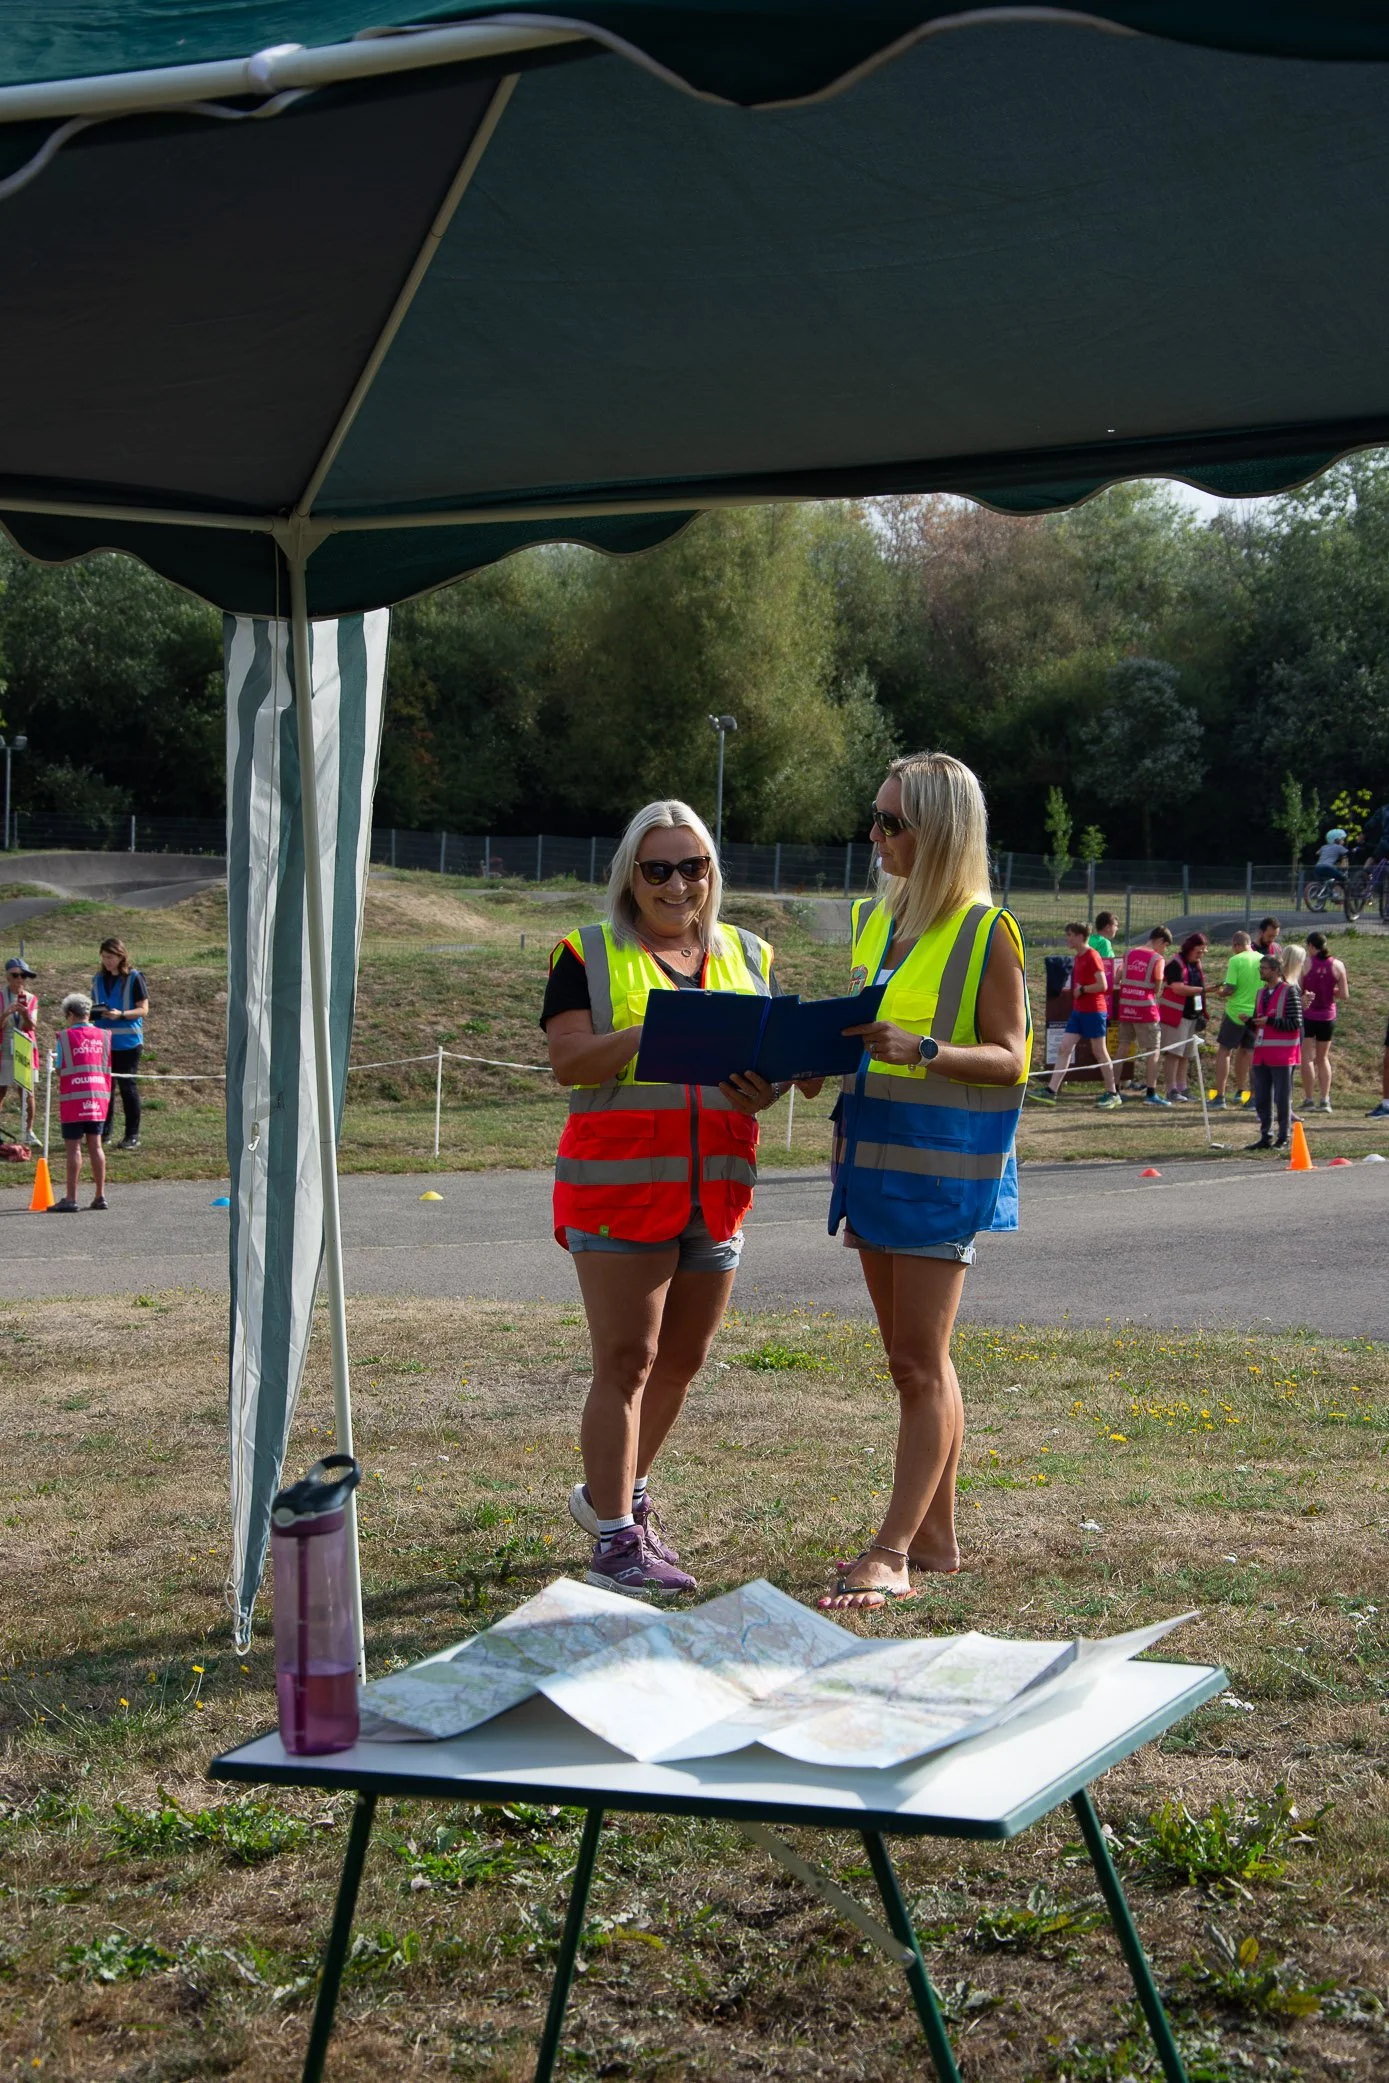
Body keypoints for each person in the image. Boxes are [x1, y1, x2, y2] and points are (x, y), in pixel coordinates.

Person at [543, 799, 801, 1598]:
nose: (677, 883)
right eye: (657, 868)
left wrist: (769, 1082)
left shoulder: (749, 953)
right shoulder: (586, 952)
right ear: (630, 875)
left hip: (717, 1189)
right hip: (621, 1193)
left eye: (692, 866)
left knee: (681, 1362)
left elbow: (771, 1062)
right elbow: (571, 1063)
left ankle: (615, 1497)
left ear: (711, 874)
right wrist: (653, 1031)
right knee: (626, 1361)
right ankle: (616, 1541)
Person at [817, 752, 1029, 1610]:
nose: (874, 834)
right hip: (872, 1159)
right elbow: (860, 1029)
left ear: (938, 830)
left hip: (942, 1169)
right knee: (915, 1359)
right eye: (873, 817)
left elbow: (1014, 1059)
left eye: (891, 822)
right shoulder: (879, 922)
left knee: (915, 1362)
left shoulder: (988, 930)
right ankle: (935, 1536)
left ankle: (892, 1550)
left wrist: (926, 1050)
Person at [1031, 922, 1120, 1109]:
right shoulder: (1078, 956)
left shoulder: (1092, 955)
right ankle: (1051, 1091)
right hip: (1079, 1011)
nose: (1067, 938)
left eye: (1070, 935)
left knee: (1099, 1051)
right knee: (1064, 1048)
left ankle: (1112, 1093)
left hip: (1094, 1011)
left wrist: (1084, 989)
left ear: (1080, 937)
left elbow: (1103, 985)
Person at [49, 991, 112, 1211]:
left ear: (71, 1014)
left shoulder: (65, 1037)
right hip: (98, 1096)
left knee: (73, 1148)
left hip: (73, 1098)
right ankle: (100, 1195)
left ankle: (71, 1198)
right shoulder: (104, 1036)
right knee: (96, 1146)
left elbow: (60, 1070)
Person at [91, 937, 149, 1151]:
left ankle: (132, 1135)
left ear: (120, 956)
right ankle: (104, 1132)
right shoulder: (97, 978)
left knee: (127, 1088)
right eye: (104, 957)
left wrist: (121, 1015)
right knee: (104, 1089)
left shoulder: (135, 978)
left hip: (128, 1043)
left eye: (111, 957)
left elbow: (143, 1009)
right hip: (102, 1042)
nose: (107, 961)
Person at [1248, 945, 1304, 1153]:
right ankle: (1265, 1135)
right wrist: (1250, 1021)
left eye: (1264, 968)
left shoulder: (1290, 992)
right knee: (1262, 1097)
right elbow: (1259, 1022)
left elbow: (1295, 1022)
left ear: (1276, 971)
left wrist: (1269, 1021)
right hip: (1262, 1052)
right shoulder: (1260, 993)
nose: (1260, 971)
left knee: (1282, 1097)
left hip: (1283, 1054)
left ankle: (1284, 1136)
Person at [1114, 926, 1173, 1108]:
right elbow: (1157, 987)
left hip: (1126, 1007)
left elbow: (1118, 977)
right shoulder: (1157, 959)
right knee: (1153, 1050)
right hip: (1146, 1010)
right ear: (1161, 941)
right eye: (1165, 946)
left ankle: (1113, 1089)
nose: (1164, 950)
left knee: (1122, 1047)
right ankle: (1151, 1093)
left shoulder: (1129, 953)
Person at [1210, 929, 1262, 1109]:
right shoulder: (1262, 959)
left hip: (1235, 1013)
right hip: (1255, 1013)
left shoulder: (1235, 960)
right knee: (1250, 1053)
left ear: (1236, 945)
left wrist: (1220, 993)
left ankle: (1220, 1096)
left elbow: (1230, 988)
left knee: (1225, 1051)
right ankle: (1250, 1095)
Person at [1299, 930, 1348, 1113]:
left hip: (1308, 1015)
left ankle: (1309, 1099)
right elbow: (1344, 994)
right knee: (1323, 1058)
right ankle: (1325, 1100)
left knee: (1307, 1058)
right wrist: (1331, 991)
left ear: (1311, 946)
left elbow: (1299, 989)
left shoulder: (1306, 963)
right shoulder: (1338, 965)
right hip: (1328, 1017)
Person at [1157, 931, 1207, 1102]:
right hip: (1175, 1016)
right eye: (1198, 952)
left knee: (1186, 1054)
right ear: (1189, 949)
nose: (1200, 955)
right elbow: (1177, 988)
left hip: (1192, 1015)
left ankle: (1182, 1087)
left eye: (1202, 952)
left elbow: (1198, 986)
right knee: (1174, 1053)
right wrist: (1202, 990)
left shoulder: (1196, 964)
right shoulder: (1175, 964)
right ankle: (1171, 1089)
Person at [0, 956, 38, 1144]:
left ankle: (28, 1131)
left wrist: (25, 1014)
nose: (20, 980)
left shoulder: (31, 999)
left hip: (24, 1047)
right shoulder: (0, 995)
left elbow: (31, 1027)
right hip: (4, 1048)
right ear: (7, 976)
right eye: (15, 975)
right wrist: (5, 1013)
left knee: (27, 1092)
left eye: (24, 976)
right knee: (0, 1090)